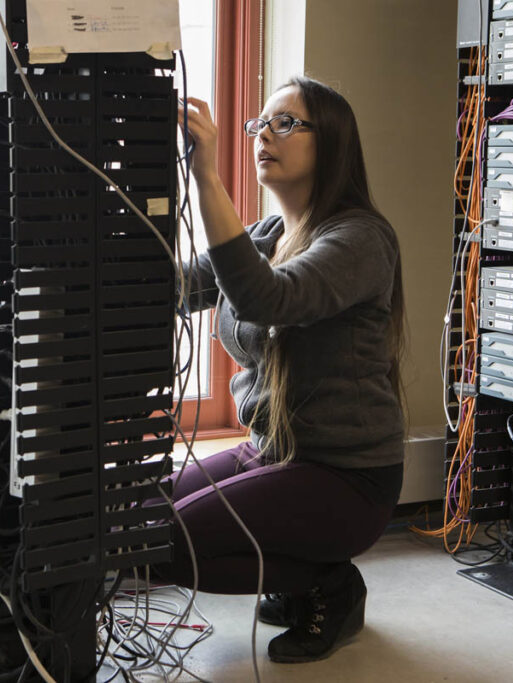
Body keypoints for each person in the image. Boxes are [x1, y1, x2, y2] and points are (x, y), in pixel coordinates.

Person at [157, 76, 406, 663]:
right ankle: (300, 572)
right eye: (259, 123)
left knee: (165, 544)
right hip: (273, 451)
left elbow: (267, 299)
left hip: (346, 476)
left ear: (333, 143)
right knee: (141, 517)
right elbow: (180, 285)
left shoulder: (362, 239)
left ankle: (327, 584)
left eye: (286, 122)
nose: (264, 133)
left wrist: (207, 176)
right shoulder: (271, 234)